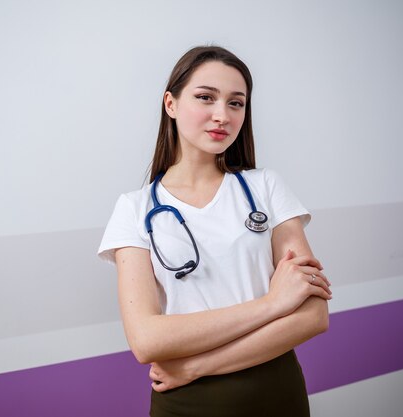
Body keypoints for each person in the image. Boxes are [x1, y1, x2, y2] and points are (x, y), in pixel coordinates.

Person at [98, 46, 332, 417]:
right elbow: (147, 340)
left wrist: (196, 365)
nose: (222, 115)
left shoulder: (266, 188)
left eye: (236, 103)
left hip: (274, 394)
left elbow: (312, 316)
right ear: (170, 104)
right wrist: (272, 304)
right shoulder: (134, 209)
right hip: (187, 405)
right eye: (205, 97)